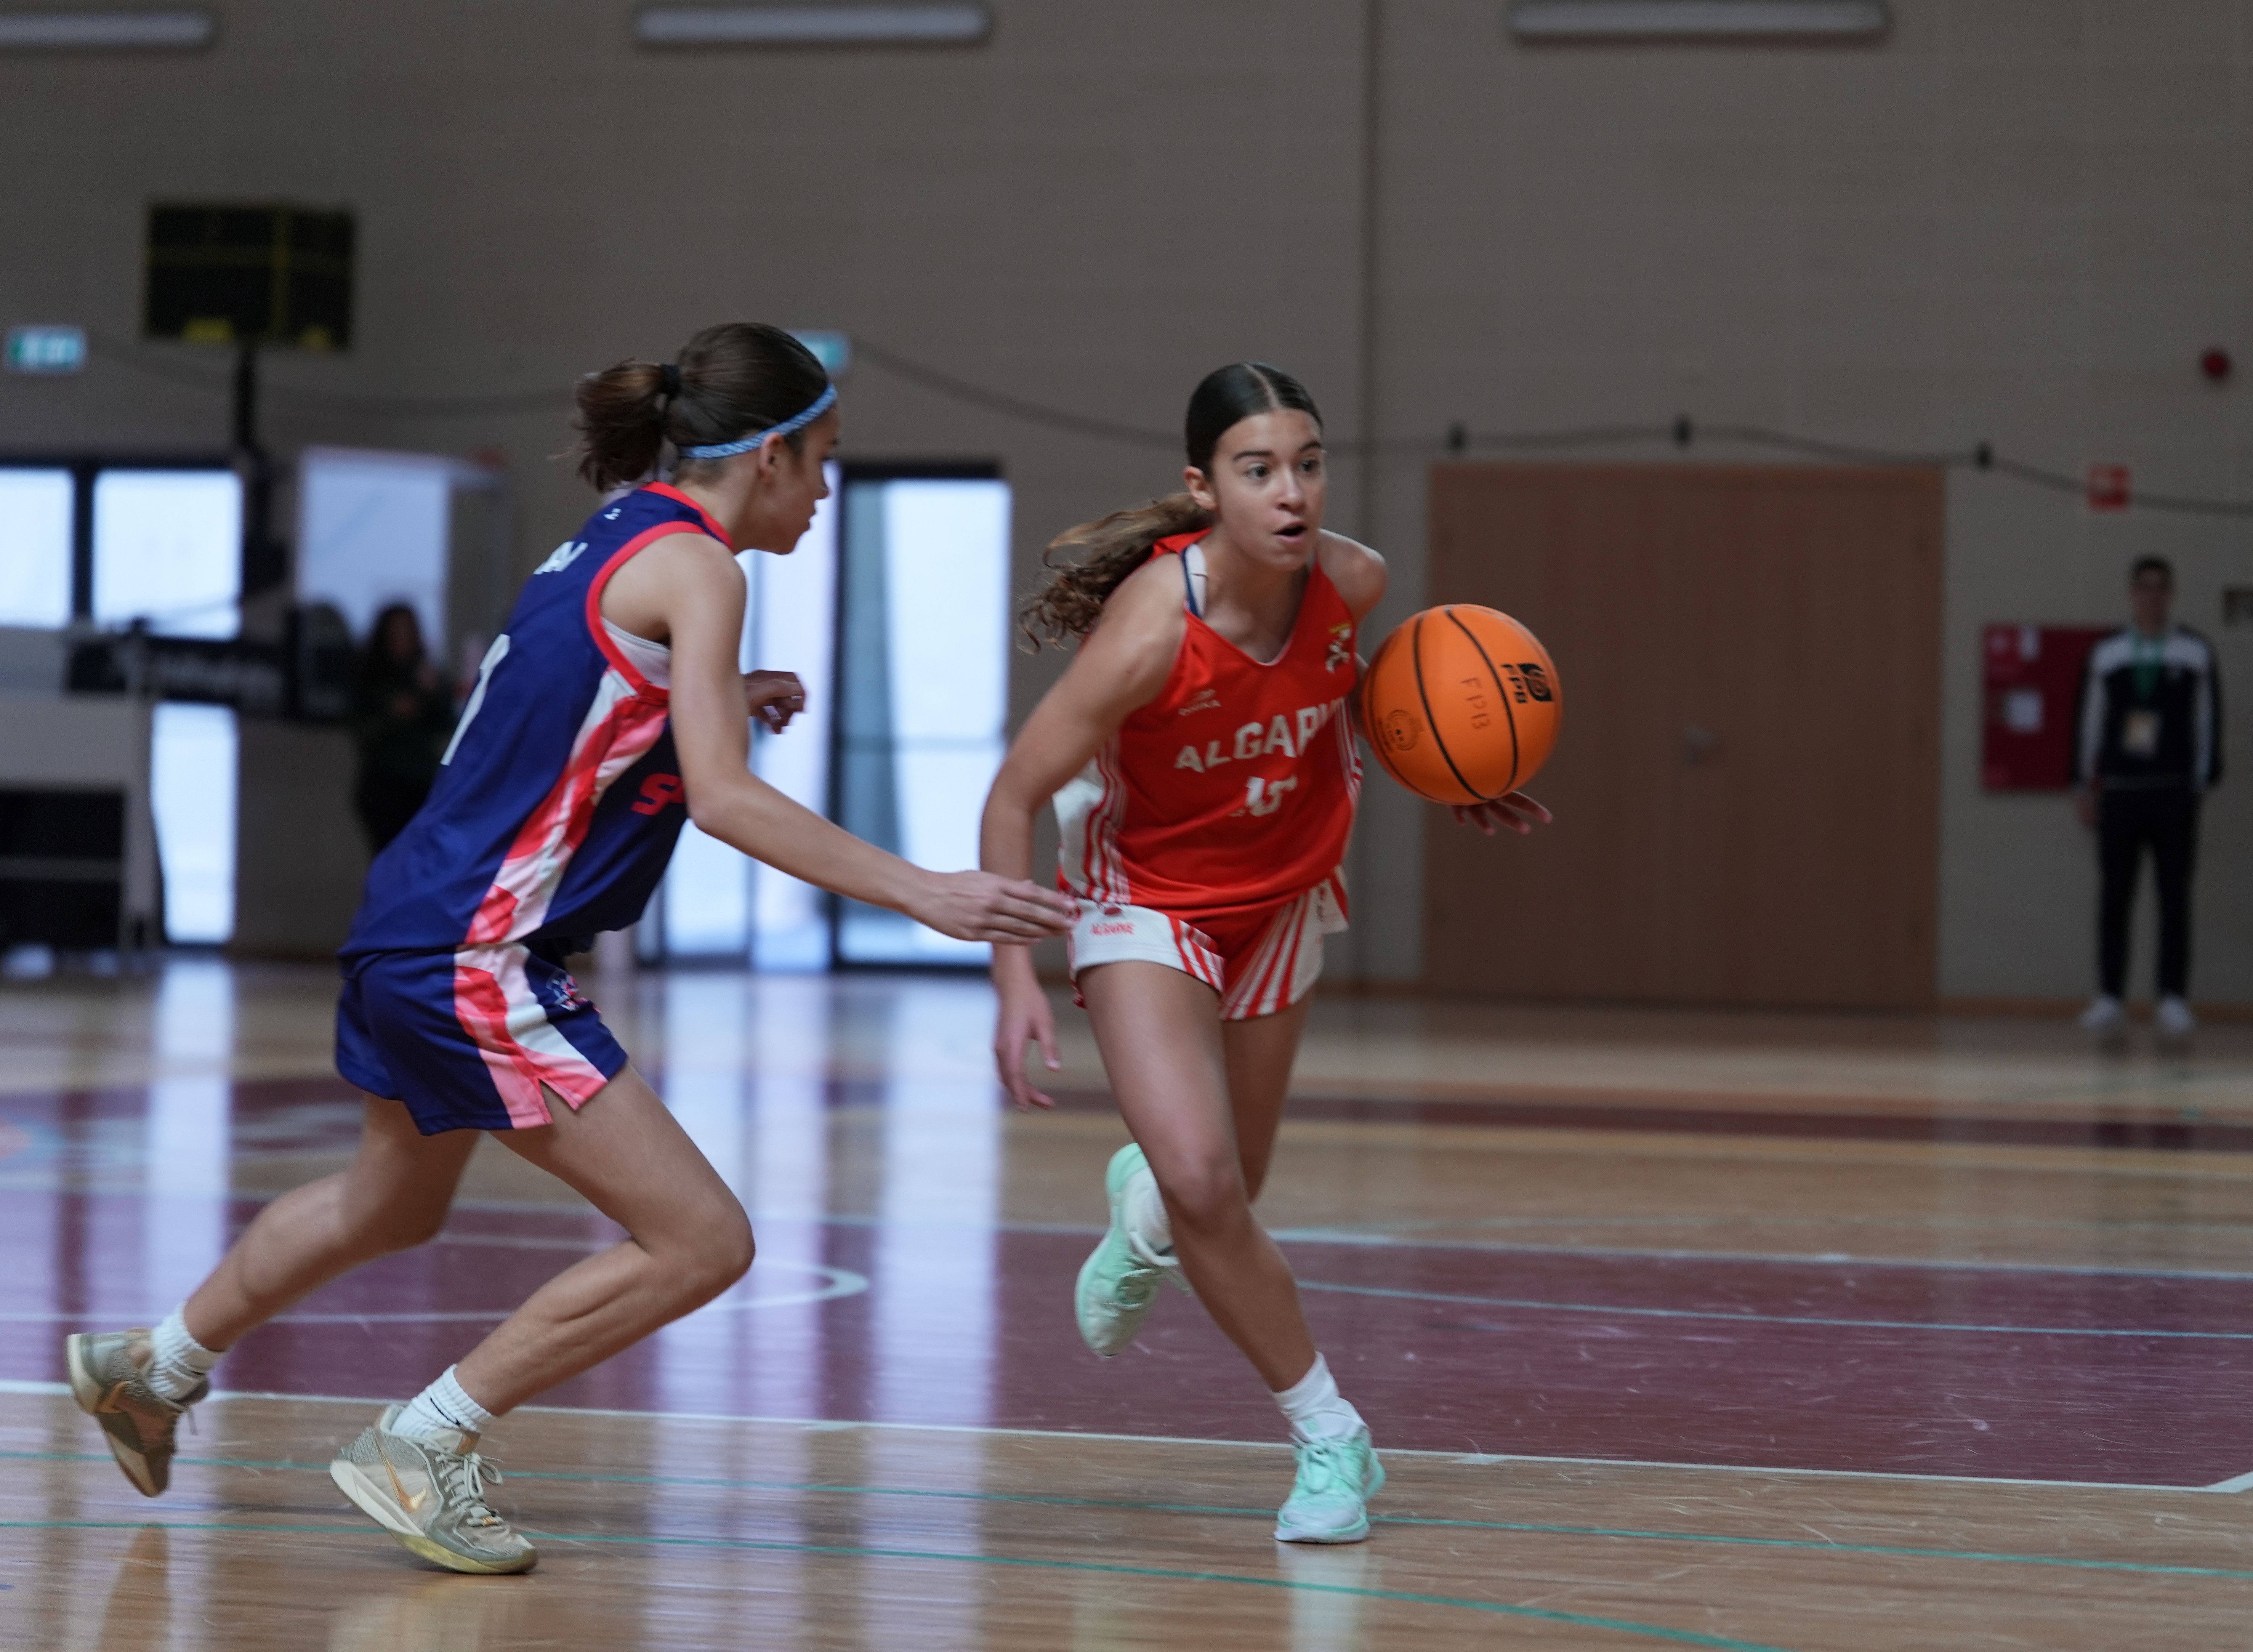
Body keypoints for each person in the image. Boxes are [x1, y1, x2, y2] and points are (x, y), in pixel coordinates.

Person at [65, 322, 1072, 1575]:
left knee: (389, 1204)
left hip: (409, 926)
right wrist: (925, 891)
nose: (823, 491)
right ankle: (421, 1443)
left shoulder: (613, 534)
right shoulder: (699, 569)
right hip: (478, 947)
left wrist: (713, 695)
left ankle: (151, 1367)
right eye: (819, 461)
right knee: (704, 1241)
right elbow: (727, 801)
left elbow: (571, 693)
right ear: (763, 459)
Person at [980, 362, 1547, 1545]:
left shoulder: (1352, 581)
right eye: (1257, 471)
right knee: (1205, 1180)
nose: (1291, 492)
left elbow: (1350, 699)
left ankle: (1141, 1210)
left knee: (1229, 1184)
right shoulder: (1147, 635)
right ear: (1202, 489)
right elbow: (1016, 792)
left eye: (1306, 464)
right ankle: (1330, 1434)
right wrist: (1011, 975)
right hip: (1147, 899)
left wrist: (1452, 776)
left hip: (1284, 893)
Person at [2073, 554, 2221, 1037]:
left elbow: (2206, 720)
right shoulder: (2107, 652)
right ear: (2131, 593)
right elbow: (2089, 721)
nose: (2152, 596)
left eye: (2161, 587)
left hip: (2174, 793)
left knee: (2174, 897)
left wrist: (2200, 784)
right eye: (2144, 587)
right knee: (2114, 896)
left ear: (2172, 594)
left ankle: (2172, 997)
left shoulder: (2195, 651)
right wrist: (2083, 784)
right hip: (2119, 792)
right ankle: (2110, 996)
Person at [351, 602, 456, 852]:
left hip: (422, 786)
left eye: (407, 631)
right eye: (396, 632)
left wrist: (433, 693)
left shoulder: (425, 673)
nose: (402, 639)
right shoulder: (370, 678)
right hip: (385, 787)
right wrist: (393, 714)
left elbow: (447, 724)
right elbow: (362, 729)